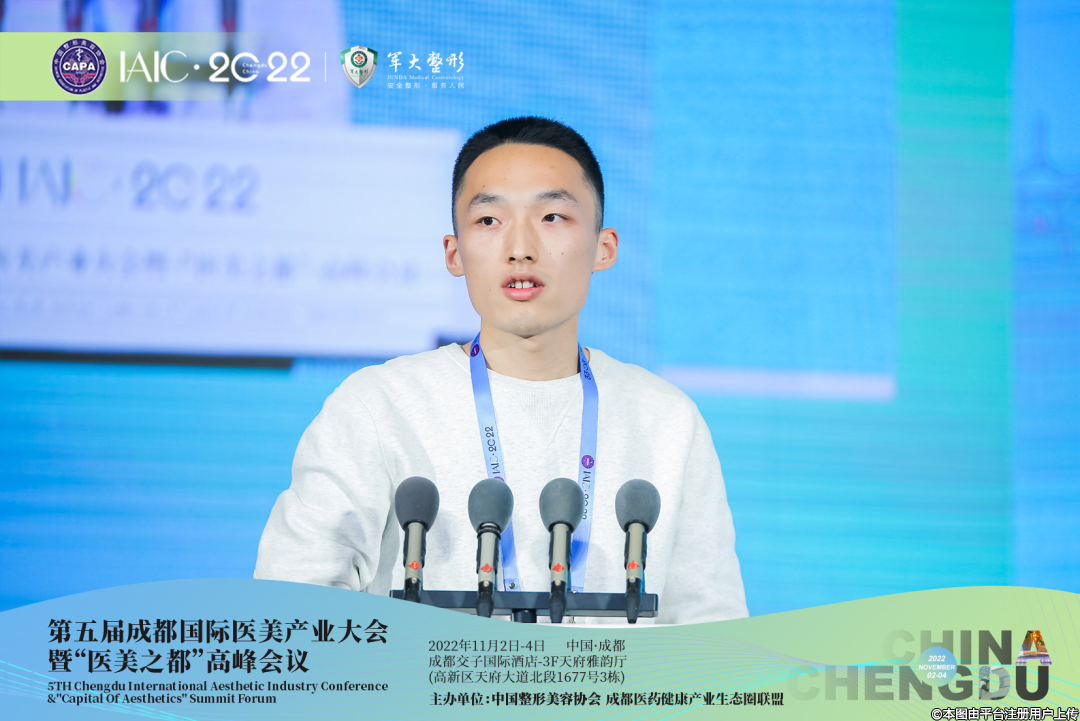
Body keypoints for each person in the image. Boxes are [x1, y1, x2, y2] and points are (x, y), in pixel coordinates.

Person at [254, 116, 748, 625]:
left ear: (605, 248)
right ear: (454, 253)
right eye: (489, 220)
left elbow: (713, 631)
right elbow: (291, 607)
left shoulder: (667, 421)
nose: (520, 248)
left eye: (552, 216)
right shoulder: (377, 406)